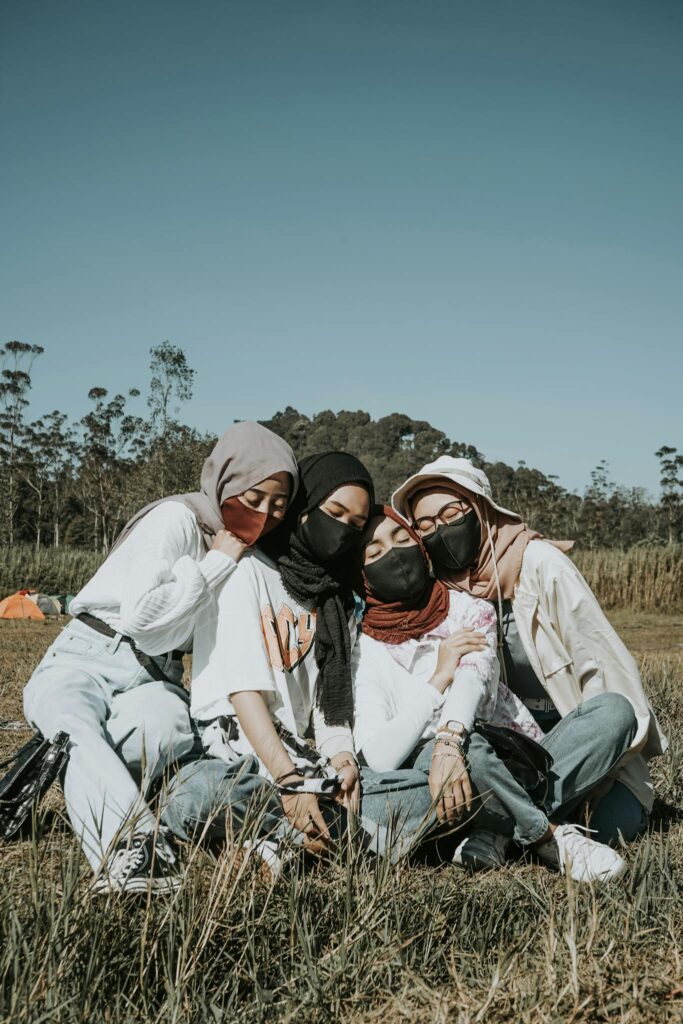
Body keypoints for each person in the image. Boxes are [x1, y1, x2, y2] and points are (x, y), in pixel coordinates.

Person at [23, 421, 298, 893]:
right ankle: (137, 848)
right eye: (255, 498)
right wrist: (217, 562)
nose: (266, 513)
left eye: (278, 505)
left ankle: (56, 759)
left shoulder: (246, 552)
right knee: (73, 721)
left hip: (158, 673)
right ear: (227, 481)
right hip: (93, 651)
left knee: (167, 733)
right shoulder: (177, 518)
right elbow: (141, 617)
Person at [163, 455, 434, 870]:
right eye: (335, 512)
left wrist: (343, 760)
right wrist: (290, 782)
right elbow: (244, 694)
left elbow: (331, 706)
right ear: (304, 508)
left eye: (357, 525)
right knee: (195, 796)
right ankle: (324, 834)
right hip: (239, 754)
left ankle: (283, 841)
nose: (344, 530)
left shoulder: (336, 600)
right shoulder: (247, 570)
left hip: (304, 762)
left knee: (423, 789)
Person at [392, 457, 667, 845]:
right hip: (505, 751)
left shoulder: (542, 565)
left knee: (611, 818)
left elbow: (603, 668)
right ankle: (533, 825)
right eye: (425, 525)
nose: (440, 529)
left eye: (451, 513)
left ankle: (500, 825)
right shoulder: (443, 593)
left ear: (481, 510)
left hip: (571, 744)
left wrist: (609, 765)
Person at [353, 505, 635, 882]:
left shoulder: (469, 609)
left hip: (520, 755)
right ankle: (549, 837)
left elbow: (473, 678)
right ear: (362, 574)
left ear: (421, 547)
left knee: (614, 711)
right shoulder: (364, 648)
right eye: (374, 553)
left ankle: (497, 830)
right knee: (467, 753)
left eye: (403, 539)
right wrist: (437, 680)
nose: (393, 554)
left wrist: (448, 739)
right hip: (443, 775)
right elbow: (379, 756)